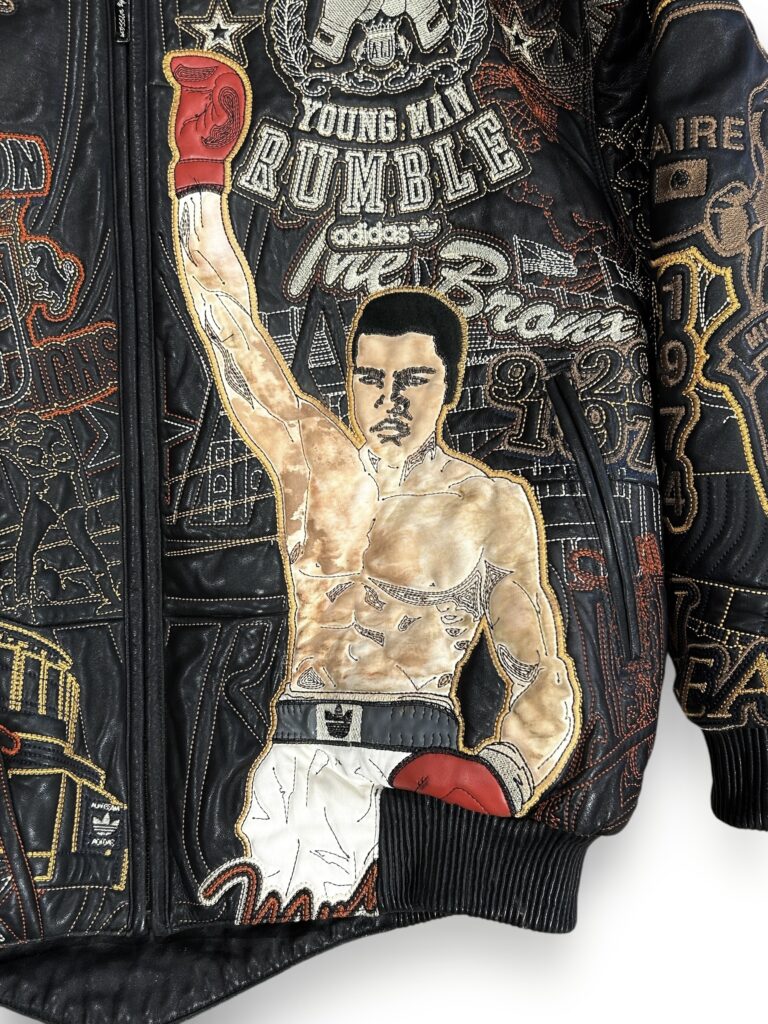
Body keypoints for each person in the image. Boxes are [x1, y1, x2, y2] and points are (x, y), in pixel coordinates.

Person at [166, 51, 581, 923]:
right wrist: (198, 180)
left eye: (413, 381)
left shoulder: (489, 505)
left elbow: (542, 674)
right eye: (371, 378)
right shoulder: (310, 456)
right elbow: (229, 329)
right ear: (351, 379)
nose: (389, 400)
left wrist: (502, 777)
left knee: (413, 979)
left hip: (413, 773)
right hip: (291, 768)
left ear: (448, 386)